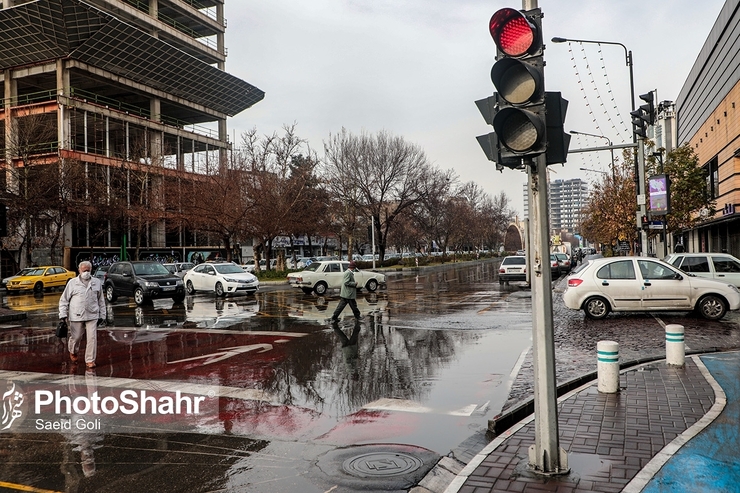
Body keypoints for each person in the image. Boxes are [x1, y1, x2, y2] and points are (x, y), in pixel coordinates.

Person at [59, 261, 107, 369]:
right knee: (76, 337)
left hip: (92, 314)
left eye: (88, 270)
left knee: (92, 338)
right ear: (79, 270)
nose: (86, 272)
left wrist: (102, 316)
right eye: (84, 270)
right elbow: (64, 300)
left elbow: (101, 301)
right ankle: (73, 350)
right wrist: (63, 314)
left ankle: (90, 360)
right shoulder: (72, 283)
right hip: (76, 315)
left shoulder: (96, 282)